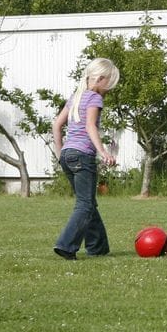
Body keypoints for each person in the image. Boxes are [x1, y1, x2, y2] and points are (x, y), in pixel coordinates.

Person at [52, 58, 120, 260]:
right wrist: (103, 152)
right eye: (109, 83)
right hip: (83, 156)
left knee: (88, 202)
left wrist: (61, 153)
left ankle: (97, 246)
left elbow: (56, 125)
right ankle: (66, 245)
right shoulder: (94, 99)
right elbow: (91, 126)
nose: (109, 89)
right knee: (85, 204)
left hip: (68, 155)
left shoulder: (76, 97)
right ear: (100, 79)